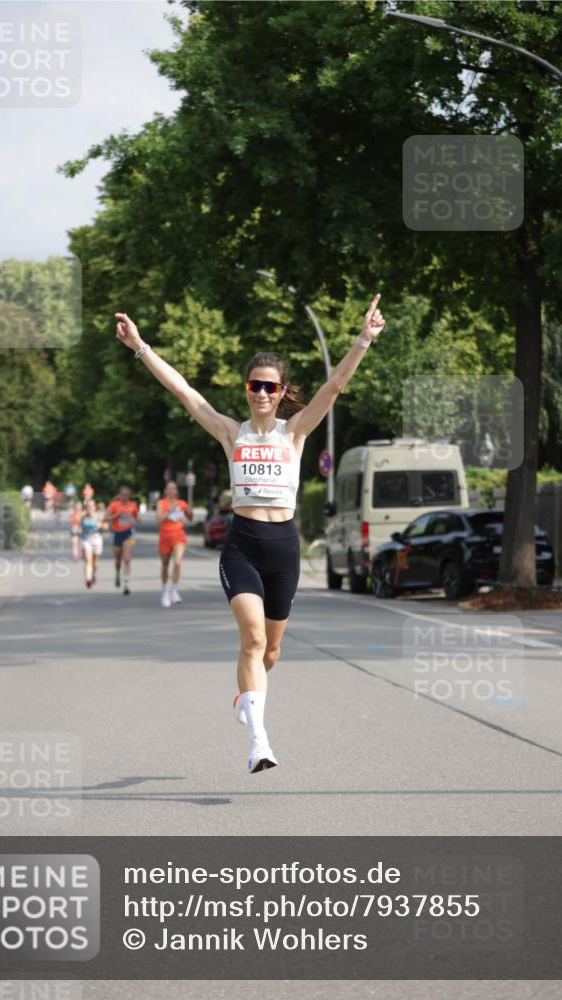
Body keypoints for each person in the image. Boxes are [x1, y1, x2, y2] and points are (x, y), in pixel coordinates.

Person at [114, 293, 386, 773]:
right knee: (254, 641)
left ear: (281, 392)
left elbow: (335, 386)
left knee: (273, 651)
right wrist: (140, 346)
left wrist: (364, 339)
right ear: (247, 390)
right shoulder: (229, 432)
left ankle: (247, 697)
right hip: (241, 546)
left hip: (283, 548)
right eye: (253, 385)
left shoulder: (296, 432)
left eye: (269, 386)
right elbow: (184, 391)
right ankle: (259, 742)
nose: (260, 393)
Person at [155, 480, 193, 607]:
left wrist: (188, 509)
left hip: (179, 536)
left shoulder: (181, 503)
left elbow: (190, 517)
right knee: (165, 565)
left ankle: (174, 590)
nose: (171, 491)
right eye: (169, 488)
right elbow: (159, 519)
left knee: (177, 562)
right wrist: (169, 511)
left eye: (174, 488)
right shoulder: (161, 503)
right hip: (165, 537)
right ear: (165, 491)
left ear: (176, 491)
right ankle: (165, 592)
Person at [104, 485, 139, 595]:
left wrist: (135, 520)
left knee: (127, 559)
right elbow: (105, 518)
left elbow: (137, 518)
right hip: (117, 533)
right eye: (123, 495)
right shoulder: (114, 505)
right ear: (119, 495)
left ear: (129, 496)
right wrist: (116, 515)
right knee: (118, 560)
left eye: (127, 495)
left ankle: (126, 584)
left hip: (128, 533)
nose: (124, 497)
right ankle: (118, 573)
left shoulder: (133, 505)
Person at [81, 498, 104, 589]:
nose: (89, 508)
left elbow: (106, 526)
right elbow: (80, 528)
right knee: (88, 560)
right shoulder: (83, 517)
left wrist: (101, 525)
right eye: (88, 506)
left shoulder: (98, 516)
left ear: (94, 507)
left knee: (95, 563)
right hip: (86, 540)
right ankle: (88, 579)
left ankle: (93, 574)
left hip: (97, 540)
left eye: (91, 506)